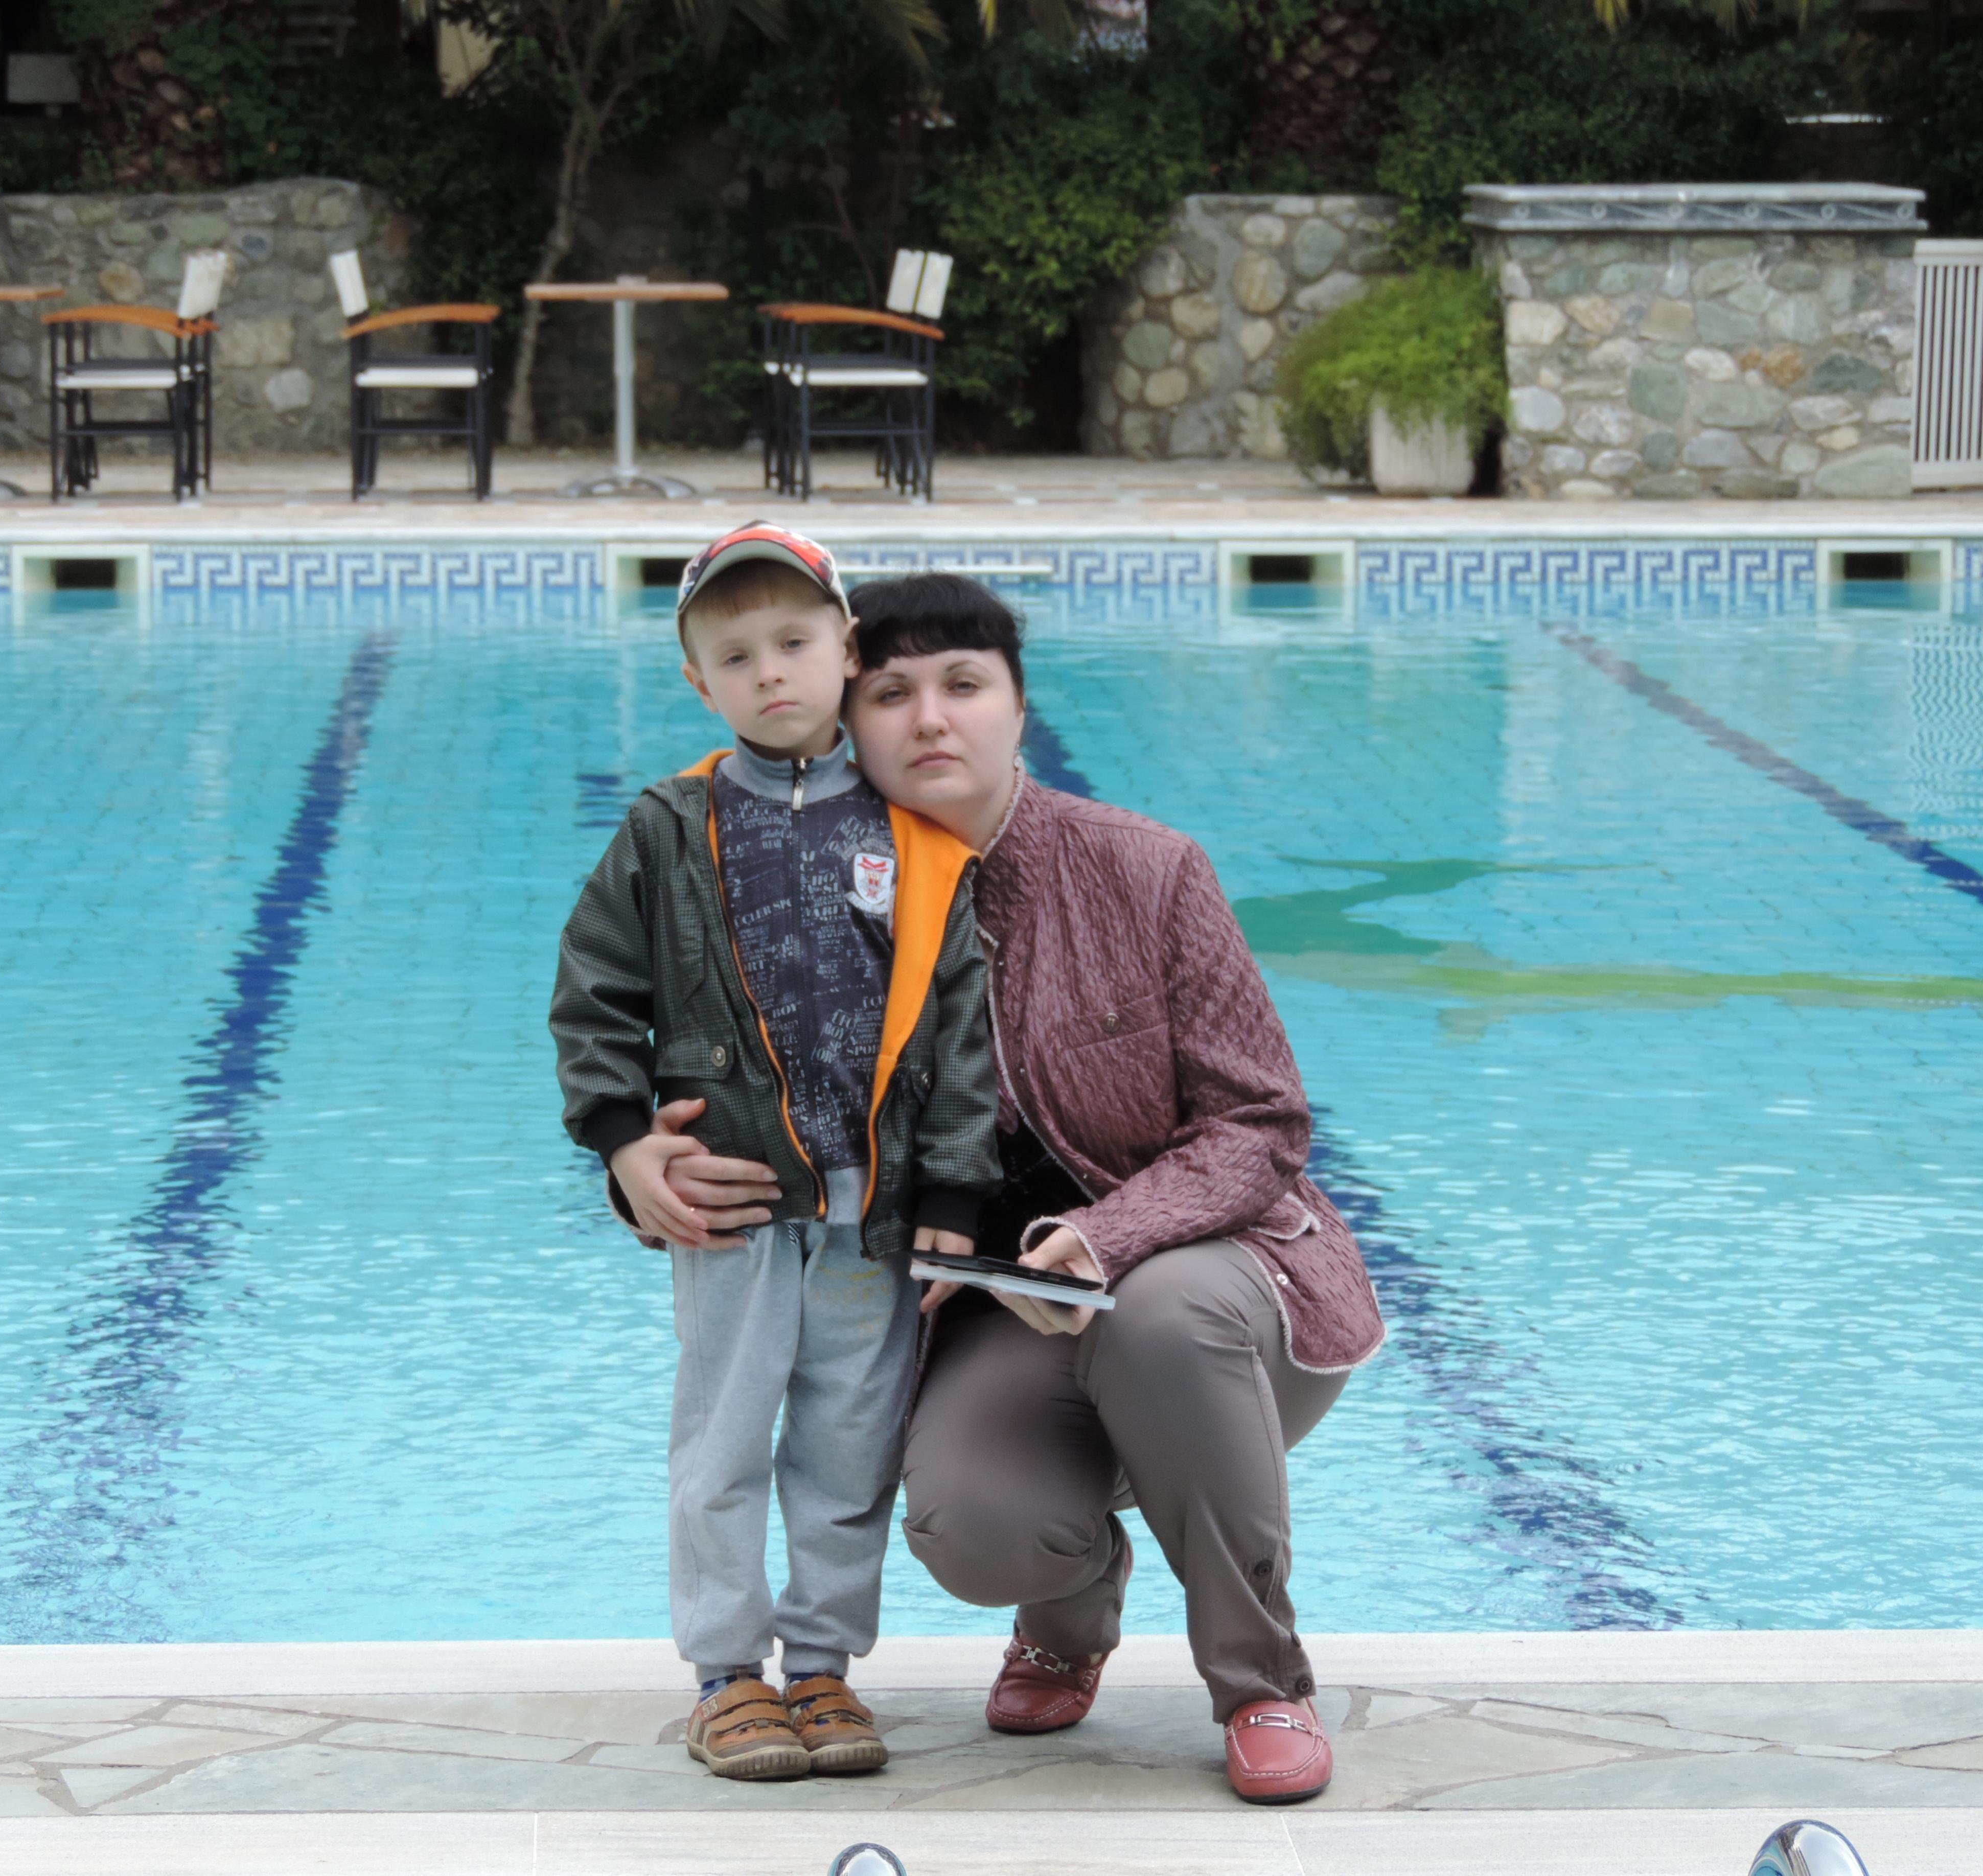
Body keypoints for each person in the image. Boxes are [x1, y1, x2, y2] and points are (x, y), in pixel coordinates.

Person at [657, 571, 1385, 1804]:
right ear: (843, 714)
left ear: (1019, 705)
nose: (931, 718)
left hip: (1224, 1307)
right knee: (974, 1525)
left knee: (1160, 1314)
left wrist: (1107, 1237)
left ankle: (1261, 1682)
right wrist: (645, 1166)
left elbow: (1262, 1123)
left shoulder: (1146, 870)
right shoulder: (814, 904)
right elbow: (737, 1104)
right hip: (1003, 1317)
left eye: (964, 684)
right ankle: (1068, 1609)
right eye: (892, 692)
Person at [549, 526, 1000, 1784]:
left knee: (849, 1449)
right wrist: (624, 1142)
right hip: (733, 1206)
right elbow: (593, 997)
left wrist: (956, 1188)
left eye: (794, 643)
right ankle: (726, 1675)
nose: (770, 673)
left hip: (873, 1216)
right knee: (724, 1443)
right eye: (736, 656)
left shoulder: (915, 839)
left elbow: (960, 1031)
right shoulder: (668, 828)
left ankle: (822, 1668)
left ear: (845, 650)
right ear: (700, 683)